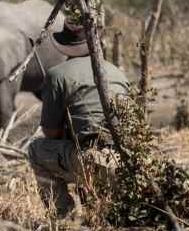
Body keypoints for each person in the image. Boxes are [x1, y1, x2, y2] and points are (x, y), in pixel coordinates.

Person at [27, 18, 130, 218]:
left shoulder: (57, 74)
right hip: (125, 161)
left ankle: (63, 216)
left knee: (36, 149)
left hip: (92, 161)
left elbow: (50, 132)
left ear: (65, 44)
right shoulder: (117, 72)